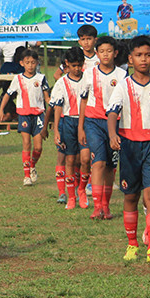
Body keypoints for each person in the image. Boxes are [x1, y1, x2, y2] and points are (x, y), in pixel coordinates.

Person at [106, 35, 150, 265]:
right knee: (131, 196)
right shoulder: (123, 85)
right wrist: (113, 133)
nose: (143, 59)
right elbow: (113, 112)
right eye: (138, 55)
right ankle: (132, 243)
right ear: (130, 59)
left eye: (147, 55)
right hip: (130, 147)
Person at [77, 35, 124, 220]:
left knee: (111, 167)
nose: (106, 55)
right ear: (96, 53)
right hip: (93, 122)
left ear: (116, 53)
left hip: (115, 124)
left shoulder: (122, 75)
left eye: (109, 51)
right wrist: (81, 127)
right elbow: (83, 100)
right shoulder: (88, 74)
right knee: (98, 163)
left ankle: (106, 205)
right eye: (102, 51)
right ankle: (97, 207)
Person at [52, 25, 99, 202]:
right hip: (68, 116)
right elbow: (58, 74)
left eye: (89, 39)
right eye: (83, 39)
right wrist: (68, 85)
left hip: (89, 115)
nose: (86, 43)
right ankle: (65, 192)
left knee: (85, 157)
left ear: (95, 40)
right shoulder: (73, 56)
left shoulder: (98, 59)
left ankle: (84, 186)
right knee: (67, 156)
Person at [0, 48, 50, 185]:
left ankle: (32, 165)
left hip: (39, 115)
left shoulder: (41, 78)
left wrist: (55, 108)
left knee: (38, 147)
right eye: (27, 62)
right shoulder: (18, 79)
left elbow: (47, 98)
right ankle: (26, 176)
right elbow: (8, 94)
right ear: (22, 63)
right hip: (24, 115)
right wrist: (1, 110)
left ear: (37, 63)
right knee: (26, 144)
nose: (30, 65)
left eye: (33, 62)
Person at [50, 47, 91, 209]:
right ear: (67, 64)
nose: (76, 69)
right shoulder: (62, 83)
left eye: (79, 65)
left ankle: (82, 189)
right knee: (70, 159)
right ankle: (72, 196)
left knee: (85, 159)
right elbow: (57, 107)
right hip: (68, 123)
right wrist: (56, 130)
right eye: (73, 65)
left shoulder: (88, 79)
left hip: (86, 122)